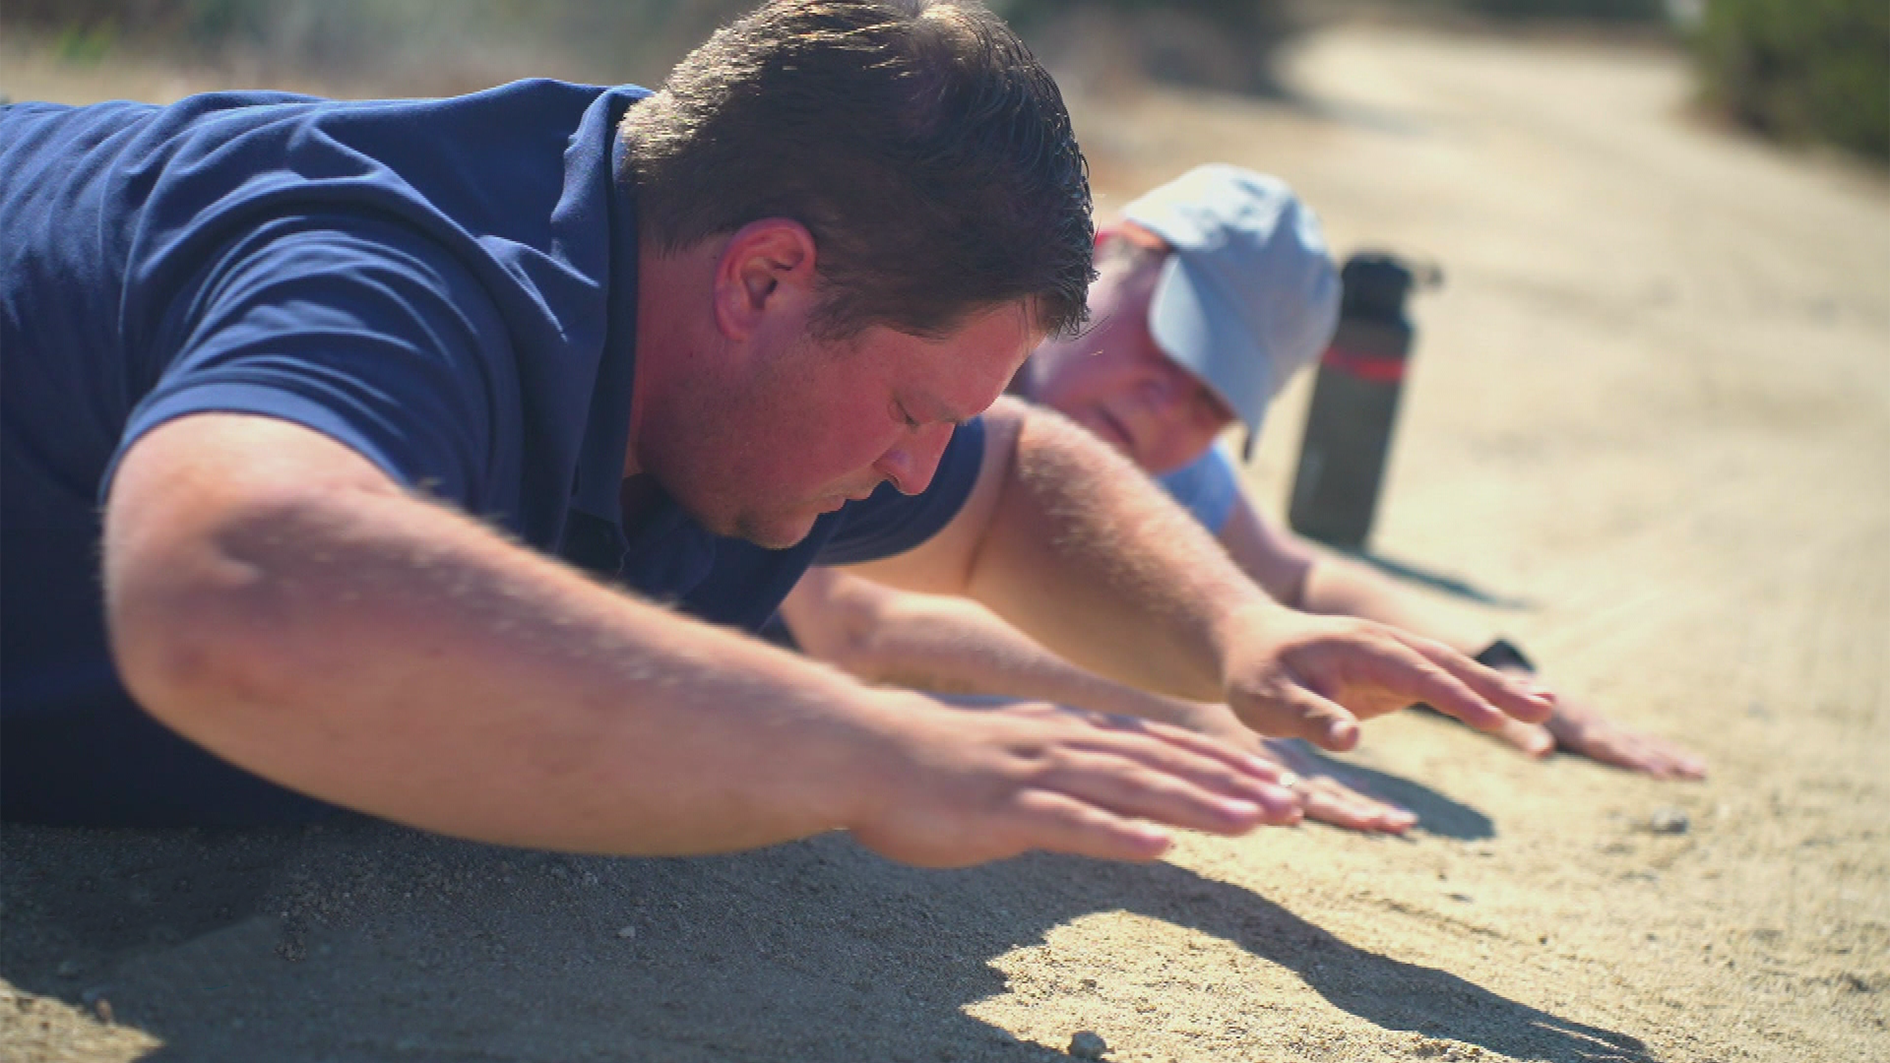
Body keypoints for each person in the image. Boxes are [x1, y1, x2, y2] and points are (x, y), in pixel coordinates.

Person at [0, 0, 1554, 868]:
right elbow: (227, 587)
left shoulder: (752, 352)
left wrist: (1229, 628)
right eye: (904, 409)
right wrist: (863, 748)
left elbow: (1008, 487)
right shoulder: (406, 279)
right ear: (761, 276)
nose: (911, 464)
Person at [780, 165, 1705, 834]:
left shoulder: (1132, 445)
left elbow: (1296, 580)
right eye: (1171, 350)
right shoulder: (925, 347)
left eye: (1213, 405)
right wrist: (1196, 699)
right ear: (1102, 253)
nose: (1165, 413)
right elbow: (857, 619)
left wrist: (1493, 675)